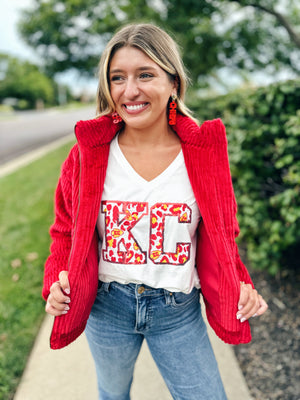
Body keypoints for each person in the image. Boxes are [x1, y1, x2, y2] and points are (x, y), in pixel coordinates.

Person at [44, 23, 268, 400]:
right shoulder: (88, 155)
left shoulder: (202, 154)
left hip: (176, 314)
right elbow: (64, 231)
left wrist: (240, 283)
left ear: (174, 84)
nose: (129, 90)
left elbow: (222, 233)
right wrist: (56, 280)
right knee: (113, 394)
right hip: (107, 308)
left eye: (145, 74)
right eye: (118, 78)